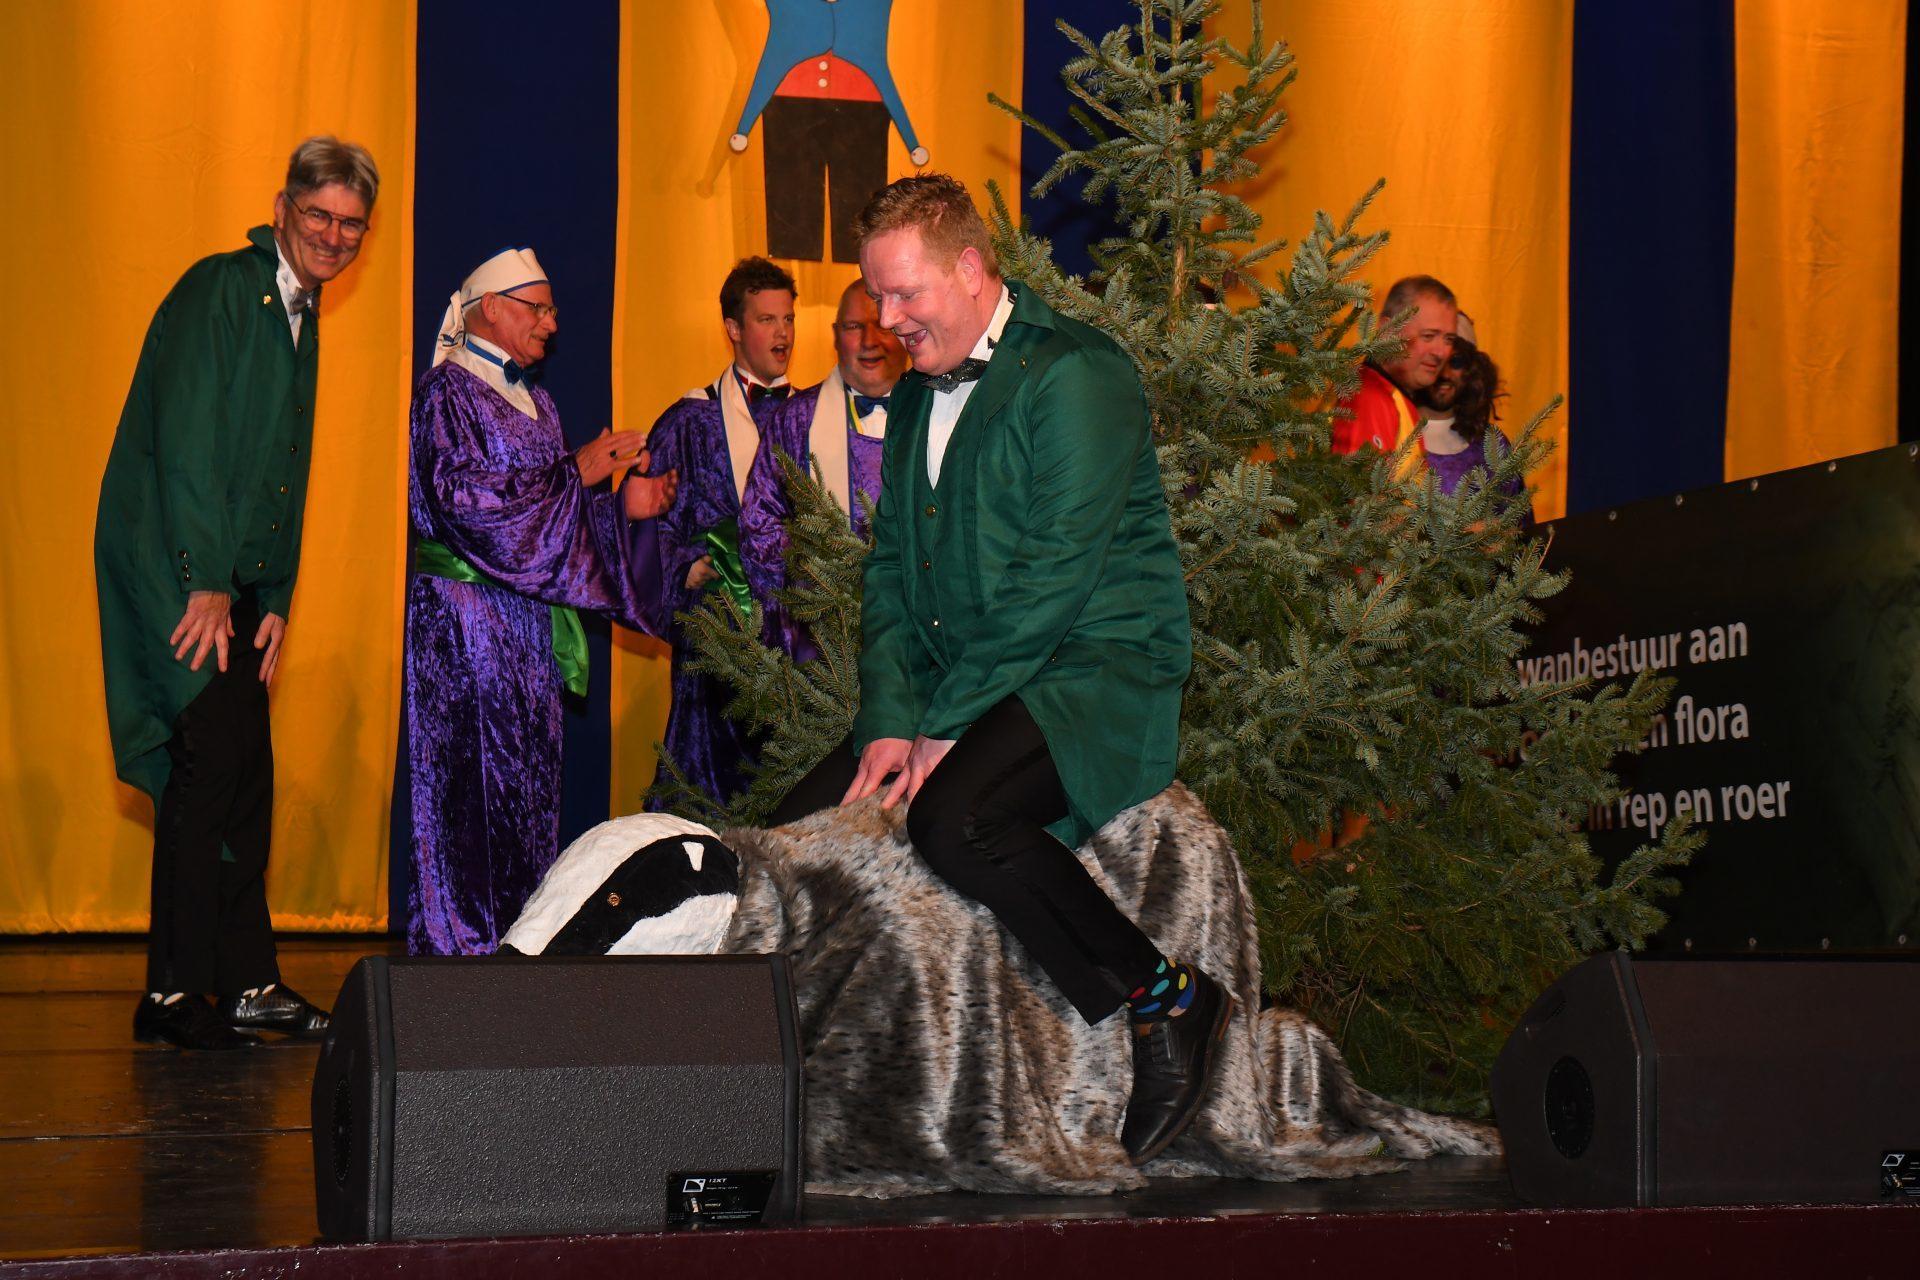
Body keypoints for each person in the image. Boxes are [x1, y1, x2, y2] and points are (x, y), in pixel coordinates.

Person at [768, 174, 1227, 1165]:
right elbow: (891, 571)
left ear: (971, 269)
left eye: (905, 294)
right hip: (971, 678)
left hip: (1093, 669)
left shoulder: (1078, 373)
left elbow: (1055, 578)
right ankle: (784, 1084)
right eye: (875, 297)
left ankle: (1168, 999)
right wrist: (890, 719)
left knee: (956, 820)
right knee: (798, 829)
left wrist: (947, 725)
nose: (885, 320)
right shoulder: (917, 394)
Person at [95, 137, 379, 1050]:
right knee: (207, 767)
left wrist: (278, 594)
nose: (333, 236)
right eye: (318, 215)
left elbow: (284, 467)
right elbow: (187, 447)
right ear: (282, 208)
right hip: (181, 568)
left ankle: (248, 981)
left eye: (351, 224)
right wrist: (209, 585)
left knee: (245, 775)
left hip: (240, 580)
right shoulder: (224, 288)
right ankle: (173, 993)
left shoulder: (301, 310)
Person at [404, 248, 676, 956]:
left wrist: (624, 507)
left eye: (551, 310)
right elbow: (466, 507)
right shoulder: (447, 393)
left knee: (526, 791)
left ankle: (520, 949)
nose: (552, 324)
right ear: (491, 308)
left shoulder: (540, 402)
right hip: (465, 625)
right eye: (540, 308)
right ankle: (463, 953)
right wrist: (575, 472)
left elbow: (553, 527)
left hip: (527, 629)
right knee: (470, 792)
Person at [639, 258, 804, 806]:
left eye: (788, 319)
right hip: (717, 647)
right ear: (733, 328)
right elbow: (646, 524)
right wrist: (685, 567)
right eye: (766, 320)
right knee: (710, 801)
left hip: (801, 648)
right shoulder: (688, 422)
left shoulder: (814, 417)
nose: (782, 334)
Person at [1333, 274, 1459, 455]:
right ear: (1389, 331)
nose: (1440, 353)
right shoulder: (1370, 399)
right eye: (1428, 336)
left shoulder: (1393, 397)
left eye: (1449, 339)